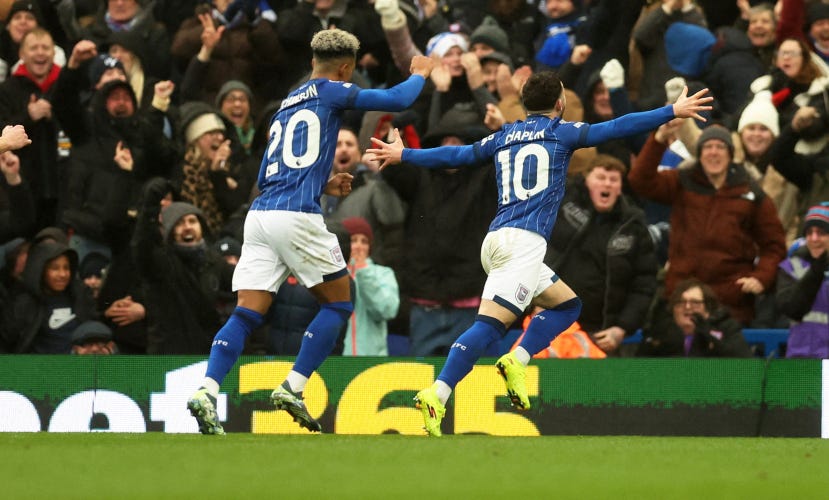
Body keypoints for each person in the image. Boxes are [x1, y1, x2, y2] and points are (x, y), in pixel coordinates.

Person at [367, 71, 712, 436]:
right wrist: (671, 110)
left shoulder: (503, 135)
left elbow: (458, 154)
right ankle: (437, 393)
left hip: (499, 239)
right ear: (560, 104)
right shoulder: (560, 132)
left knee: (566, 305)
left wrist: (404, 153)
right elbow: (615, 127)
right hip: (522, 244)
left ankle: (517, 358)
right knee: (488, 326)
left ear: (525, 103)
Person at [186, 29, 434, 435]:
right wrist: (420, 72)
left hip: (261, 214)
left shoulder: (286, 103)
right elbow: (398, 99)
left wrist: (323, 182)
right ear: (346, 68)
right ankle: (293, 386)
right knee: (338, 304)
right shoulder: (332, 91)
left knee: (247, 313)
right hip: (296, 216)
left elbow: (274, 169)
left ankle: (207, 390)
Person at [629, 123, 788, 326]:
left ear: (730, 154)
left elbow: (774, 246)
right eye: (708, 147)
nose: (714, 153)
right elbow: (640, 181)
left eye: (720, 147)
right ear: (699, 154)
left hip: (732, 305)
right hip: (681, 300)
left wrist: (761, 278)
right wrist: (658, 140)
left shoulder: (751, 193)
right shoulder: (682, 182)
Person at [637, 278, 752, 357]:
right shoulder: (661, 330)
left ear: (707, 307)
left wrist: (710, 335)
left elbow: (743, 362)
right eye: (681, 302)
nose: (687, 307)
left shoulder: (726, 327)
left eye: (695, 303)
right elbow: (639, 367)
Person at [776, 203, 829, 358]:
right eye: (809, 232)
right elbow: (791, 308)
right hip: (801, 357)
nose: (814, 239)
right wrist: (816, 271)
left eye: (821, 233)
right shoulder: (792, 266)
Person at [340, 216, 399, 356]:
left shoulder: (383, 274)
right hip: (337, 361)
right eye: (353, 240)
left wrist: (363, 272)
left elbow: (387, 310)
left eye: (364, 241)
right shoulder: (333, 275)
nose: (359, 246)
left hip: (371, 361)